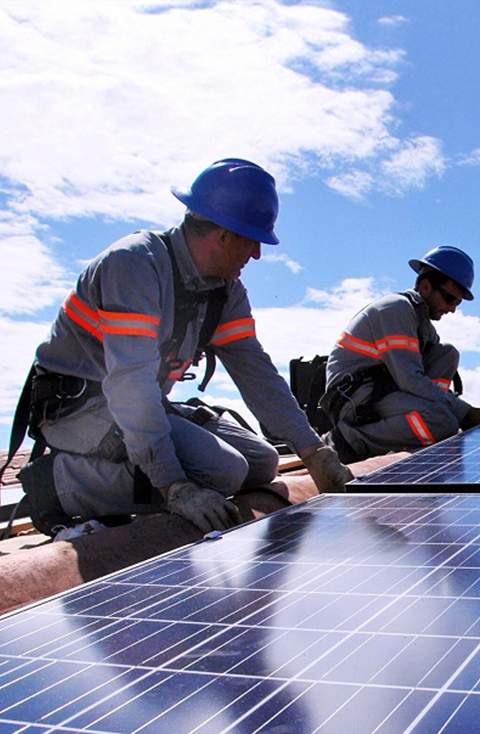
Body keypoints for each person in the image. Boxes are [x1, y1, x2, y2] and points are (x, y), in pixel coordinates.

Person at [18, 158, 352, 537]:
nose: (257, 255)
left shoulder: (223, 291)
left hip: (136, 404)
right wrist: (173, 485)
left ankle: (142, 470)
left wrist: (313, 452)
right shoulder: (134, 265)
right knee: (222, 471)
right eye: (253, 240)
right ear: (223, 234)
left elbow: (256, 374)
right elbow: (130, 385)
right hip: (78, 410)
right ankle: (58, 482)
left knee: (263, 462)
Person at [319, 246, 480, 463]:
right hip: (356, 397)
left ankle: (422, 422)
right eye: (449, 299)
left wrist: (459, 411)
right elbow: (410, 379)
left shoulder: (423, 325)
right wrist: (465, 413)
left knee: (447, 353)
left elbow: (422, 378)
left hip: (383, 389)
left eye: (457, 303)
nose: (453, 309)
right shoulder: (395, 309)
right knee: (443, 422)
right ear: (426, 287)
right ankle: (349, 439)